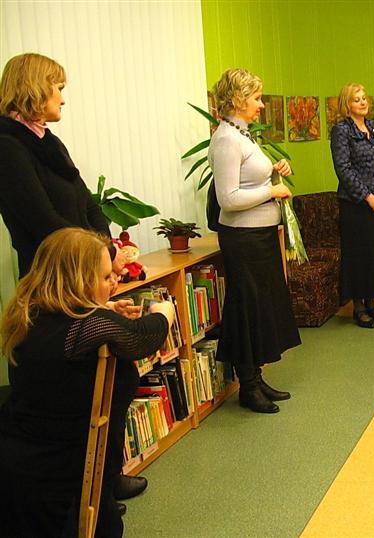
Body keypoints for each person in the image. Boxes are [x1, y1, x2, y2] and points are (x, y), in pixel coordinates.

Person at [0, 52, 147, 507]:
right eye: (58, 87)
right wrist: (97, 255)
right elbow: (43, 220)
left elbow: (86, 201)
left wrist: (109, 249)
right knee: (75, 391)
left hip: (83, 277)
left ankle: (107, 473)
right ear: (33, 88)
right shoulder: (8, 146)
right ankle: (84, 485)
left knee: (111, 377)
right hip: (54, 284)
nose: (63, 97)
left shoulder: (49, 141)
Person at [0, 228, 175, 538]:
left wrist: (106, 308)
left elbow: (74, 330)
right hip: (65, 479)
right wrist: (165, 312)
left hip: (20, 458)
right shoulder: (88, 325)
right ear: (78, 280)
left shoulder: (29, 313)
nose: (114, 282)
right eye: (105, 277)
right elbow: (144, 337)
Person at [208, 68, 300, 413]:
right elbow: (228, 198)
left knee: (261, 307)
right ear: (238, 99)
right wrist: (271, 191)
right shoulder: (226, 139)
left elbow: (249, 180)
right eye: (257, 98)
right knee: (247, 308)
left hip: (259, 236)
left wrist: (275, 170)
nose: (261, 105)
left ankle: (256, 378)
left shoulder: (241, 134)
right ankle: (247, 386)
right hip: (243, 239)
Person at [330, 83, 374, 328]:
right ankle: (358, 307)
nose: (362, 102)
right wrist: (368, 197)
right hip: (356, 204)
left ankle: (372, 303)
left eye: (364, 98)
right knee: (359, 255)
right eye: (356, 99)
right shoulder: (341, 130)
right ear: (347, 105)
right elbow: (344, 169)